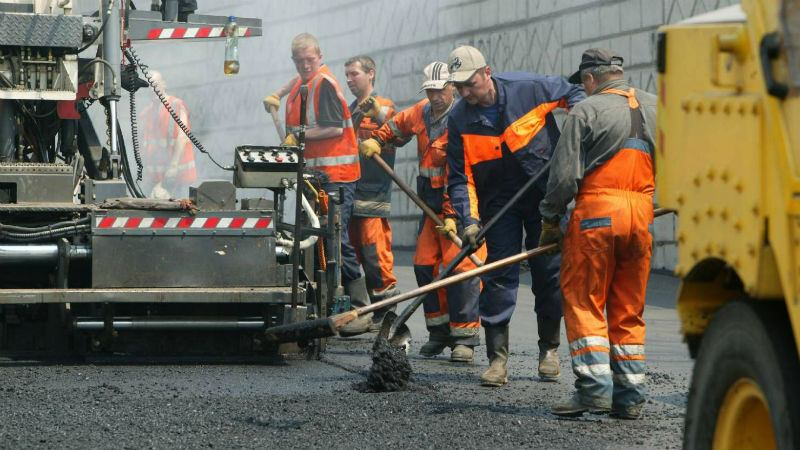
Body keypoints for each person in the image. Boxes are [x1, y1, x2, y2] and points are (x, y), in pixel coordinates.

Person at [445, 45, 585, 386]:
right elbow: (460, 178)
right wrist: (469, 222)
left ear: (487, 72)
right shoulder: (459, 118)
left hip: (544, 197)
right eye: (459, 87)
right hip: (498, 203)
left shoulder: (529, 89)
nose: (465, 93)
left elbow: (574, 92)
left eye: (470, 84)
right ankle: (497, 360)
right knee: (498, 275)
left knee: (549, 276)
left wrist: (577, 126)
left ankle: (549, 350)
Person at [539, 49, 656, 420]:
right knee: (628, 308)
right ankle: (630, 395)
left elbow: (563, 178)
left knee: (584, 299)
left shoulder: (585, 111)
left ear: (590, 78)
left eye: (583, 83)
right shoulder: (656, 107)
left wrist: (550, 220)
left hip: (597, 216)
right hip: (642, 216)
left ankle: (593, 390)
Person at [362, 62, 487, 362]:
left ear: (452, 87)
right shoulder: (421, 112)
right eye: (430, 91)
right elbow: (396, 125)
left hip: (458, 206)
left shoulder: (462, 119)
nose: (435, 97)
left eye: (440, 90)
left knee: (460, 271)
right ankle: (439, 332)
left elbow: (459, 175)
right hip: (428, 206)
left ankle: (464, 339)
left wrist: (452, 215)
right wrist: (377, 139)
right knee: (424, 266)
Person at [264, 33, 371, 336]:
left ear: (320, 57)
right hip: (317, 177)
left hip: (337, 176)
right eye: (299, 61)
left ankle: (361, 308)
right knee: (314, 238)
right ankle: (323, 306)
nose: (305, 65)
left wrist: (298, 135)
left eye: (310, 60)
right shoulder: (305, 79)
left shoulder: (323, 84)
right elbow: (296, 80)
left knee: (336, 240)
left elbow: (334, 128)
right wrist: (277, 94)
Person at [344, 55, 399, 325]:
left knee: (374, 254)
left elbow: (398, 131)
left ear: (371, 74)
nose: (349, 80)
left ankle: (386, 311)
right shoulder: (350, 110)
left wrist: (377, 111)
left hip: (373, 196)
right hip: (351, 194)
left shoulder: (384, 106)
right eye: (347, 75)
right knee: (352, 253)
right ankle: (362, 311)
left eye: (354, 74)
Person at [140, 70, 197, 199]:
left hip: (178, 179)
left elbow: (182, 137)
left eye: (155, 84)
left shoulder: (176, 106)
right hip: (156, 180)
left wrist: (173, 167)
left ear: (164, 84)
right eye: (148, 85)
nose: (152, 89)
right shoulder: (147, 112)